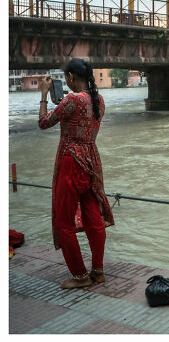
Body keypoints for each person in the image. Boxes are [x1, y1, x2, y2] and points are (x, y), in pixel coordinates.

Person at [38, 59, 114, 289]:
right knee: (93, 217)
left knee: (63, 222)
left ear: (70, 77)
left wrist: (43, 94)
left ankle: (80, 276)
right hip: (91, 160)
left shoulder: (71, 100)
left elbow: (43, 122)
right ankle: (98, 271)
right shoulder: (98, 99)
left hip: (71, 161)